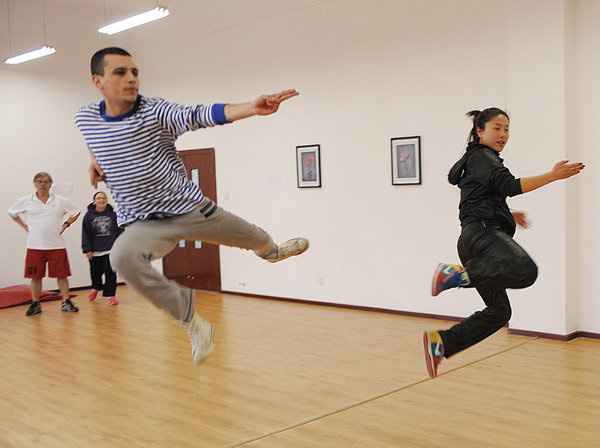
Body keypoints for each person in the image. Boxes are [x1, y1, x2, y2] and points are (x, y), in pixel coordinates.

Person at [74, 47, 309, 364]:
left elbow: (199, 115)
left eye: (135, 72)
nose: (131, 78)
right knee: (121, 256)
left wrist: (250, 108)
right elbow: (93, 137)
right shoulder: (85, 117)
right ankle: (194, 323)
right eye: (120, 72)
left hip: (191, 210)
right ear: (98, 81)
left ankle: (272, 251)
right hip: (143, 225)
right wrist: (94, 162)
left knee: (252, 237)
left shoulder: (155, 112)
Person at [424, 108, 584, 378]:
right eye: (496, 128)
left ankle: (442, 343)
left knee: (499, 311)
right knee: (525, 270)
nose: (503, 134)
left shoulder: (477, 160)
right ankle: (454, 276)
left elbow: (476, 200)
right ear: (479, 131)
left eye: (507, 128)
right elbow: (509, 185)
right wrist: (553, 175)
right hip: (484, 237)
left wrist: (507, 213)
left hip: (473, 238)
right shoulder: (483, 157)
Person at [7, 172, 81, 315]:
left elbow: (76, 212)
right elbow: (12, 212)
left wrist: (66, 225)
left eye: (46, 181)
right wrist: (24, 226)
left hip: (57, 246)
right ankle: (35, 304)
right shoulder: (26, 200)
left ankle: (66, 302)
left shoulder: (60, 200)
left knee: (62, 275)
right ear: (35, 184)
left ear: (50, 184)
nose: (42, 184)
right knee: (35, 276)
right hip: (35, 246)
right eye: (39, 181)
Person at [82, 191, 122, 305]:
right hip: (95, 250)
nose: (101, 200)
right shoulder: (88, 216)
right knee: (95, 273)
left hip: (111, 249)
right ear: (94, 201)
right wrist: (87, 249)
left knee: (111, 273)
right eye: (99, 198)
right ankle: (95, 287)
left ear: (107, 201)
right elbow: (85, 233)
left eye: (104, 198)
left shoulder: (113, 215)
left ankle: (111, 295)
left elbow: (120, 230)